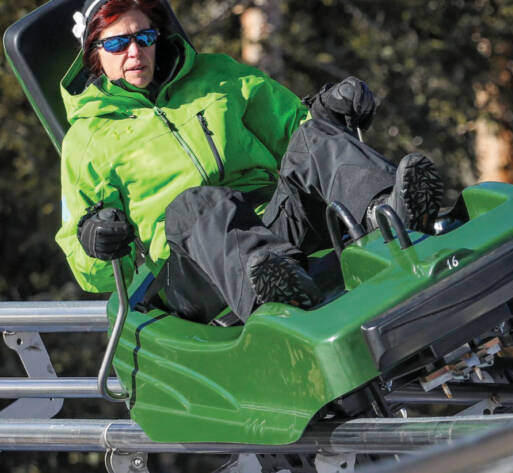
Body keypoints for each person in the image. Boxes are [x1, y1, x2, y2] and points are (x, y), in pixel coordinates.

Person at [56, 0, 442, 323]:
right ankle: (269, 281)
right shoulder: (87, 139)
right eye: (118, 43)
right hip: (193, 266)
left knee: (314, 139)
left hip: (270, 223)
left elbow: (295, 130)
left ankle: (389, 211)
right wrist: (95, 241)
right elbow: (91, 273)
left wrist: (328, 111)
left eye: (144, 37)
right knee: (198, 202)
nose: (135, 52)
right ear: (94, 54)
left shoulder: (216, 75)